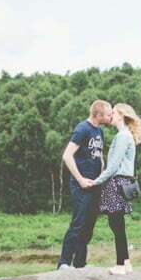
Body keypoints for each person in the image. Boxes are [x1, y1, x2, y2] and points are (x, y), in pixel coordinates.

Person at [89, 102, 141, 275]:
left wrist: (96, 181)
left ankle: (120, 265)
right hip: (121, 182)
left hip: (116, 183)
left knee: (116, 224)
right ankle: (126, 262)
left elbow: (113, 166)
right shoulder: (125, 135)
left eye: (114, 112)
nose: (111, 115)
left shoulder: (123, 136)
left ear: (122, 115)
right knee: (118, 225)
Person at [57, 99, 112, 269]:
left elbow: (99, 156)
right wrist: (80, 179)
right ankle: (64, 263)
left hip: (95, 184)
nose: (111, 116)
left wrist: (102, 176)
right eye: (108, 114)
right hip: (81, 185)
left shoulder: (99, 132)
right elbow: (67, 155)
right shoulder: (83, 129)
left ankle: (80, 263)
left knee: (89, 224)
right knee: (78, 222)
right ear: (98, 114)